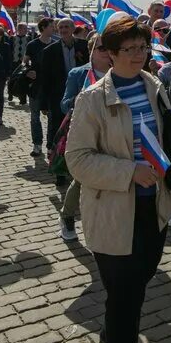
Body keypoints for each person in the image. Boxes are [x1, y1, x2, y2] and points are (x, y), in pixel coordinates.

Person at [65, 15, 171, 343]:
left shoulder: (154, 85)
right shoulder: (91, 100)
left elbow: (166, 141)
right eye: (129, 49)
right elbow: (78, 159)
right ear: (110, 53)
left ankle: (113, 324)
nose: (138, 54)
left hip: (154, 206)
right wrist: (129, 171)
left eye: (143, 47)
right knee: (127, 298)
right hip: (114, 212)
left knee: (137, 283)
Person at [57, 33, 112, 241]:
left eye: (110, 48)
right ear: (91, 50)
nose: (106, 52)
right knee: (81, 179)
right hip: (85, 133)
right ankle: (68, 216)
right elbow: (64, 104)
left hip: (112, 133)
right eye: (101, 48)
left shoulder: (119, 72)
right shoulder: (79, 74)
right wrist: (81, 99)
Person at [39, 19, 89, 173]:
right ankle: (58, 168)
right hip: (58, 97)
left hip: (82, 95)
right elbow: (44, 78)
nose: (63, 29)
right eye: (60, 27)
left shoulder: (84, 46)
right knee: (58, 130)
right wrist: (43, 104)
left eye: (67, 26)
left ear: (73, 28)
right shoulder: (49, 51)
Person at [25, 18, 56, 151]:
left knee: (51, 117)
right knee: (35, 116)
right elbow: (24, 62)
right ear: (43, 28)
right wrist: (28, 71)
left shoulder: (56, 44)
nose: (53, 28)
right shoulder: (32, 45)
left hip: (51, 87)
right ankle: (37, 144)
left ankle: (50, 145)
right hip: (35, 86)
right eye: (51, 26)